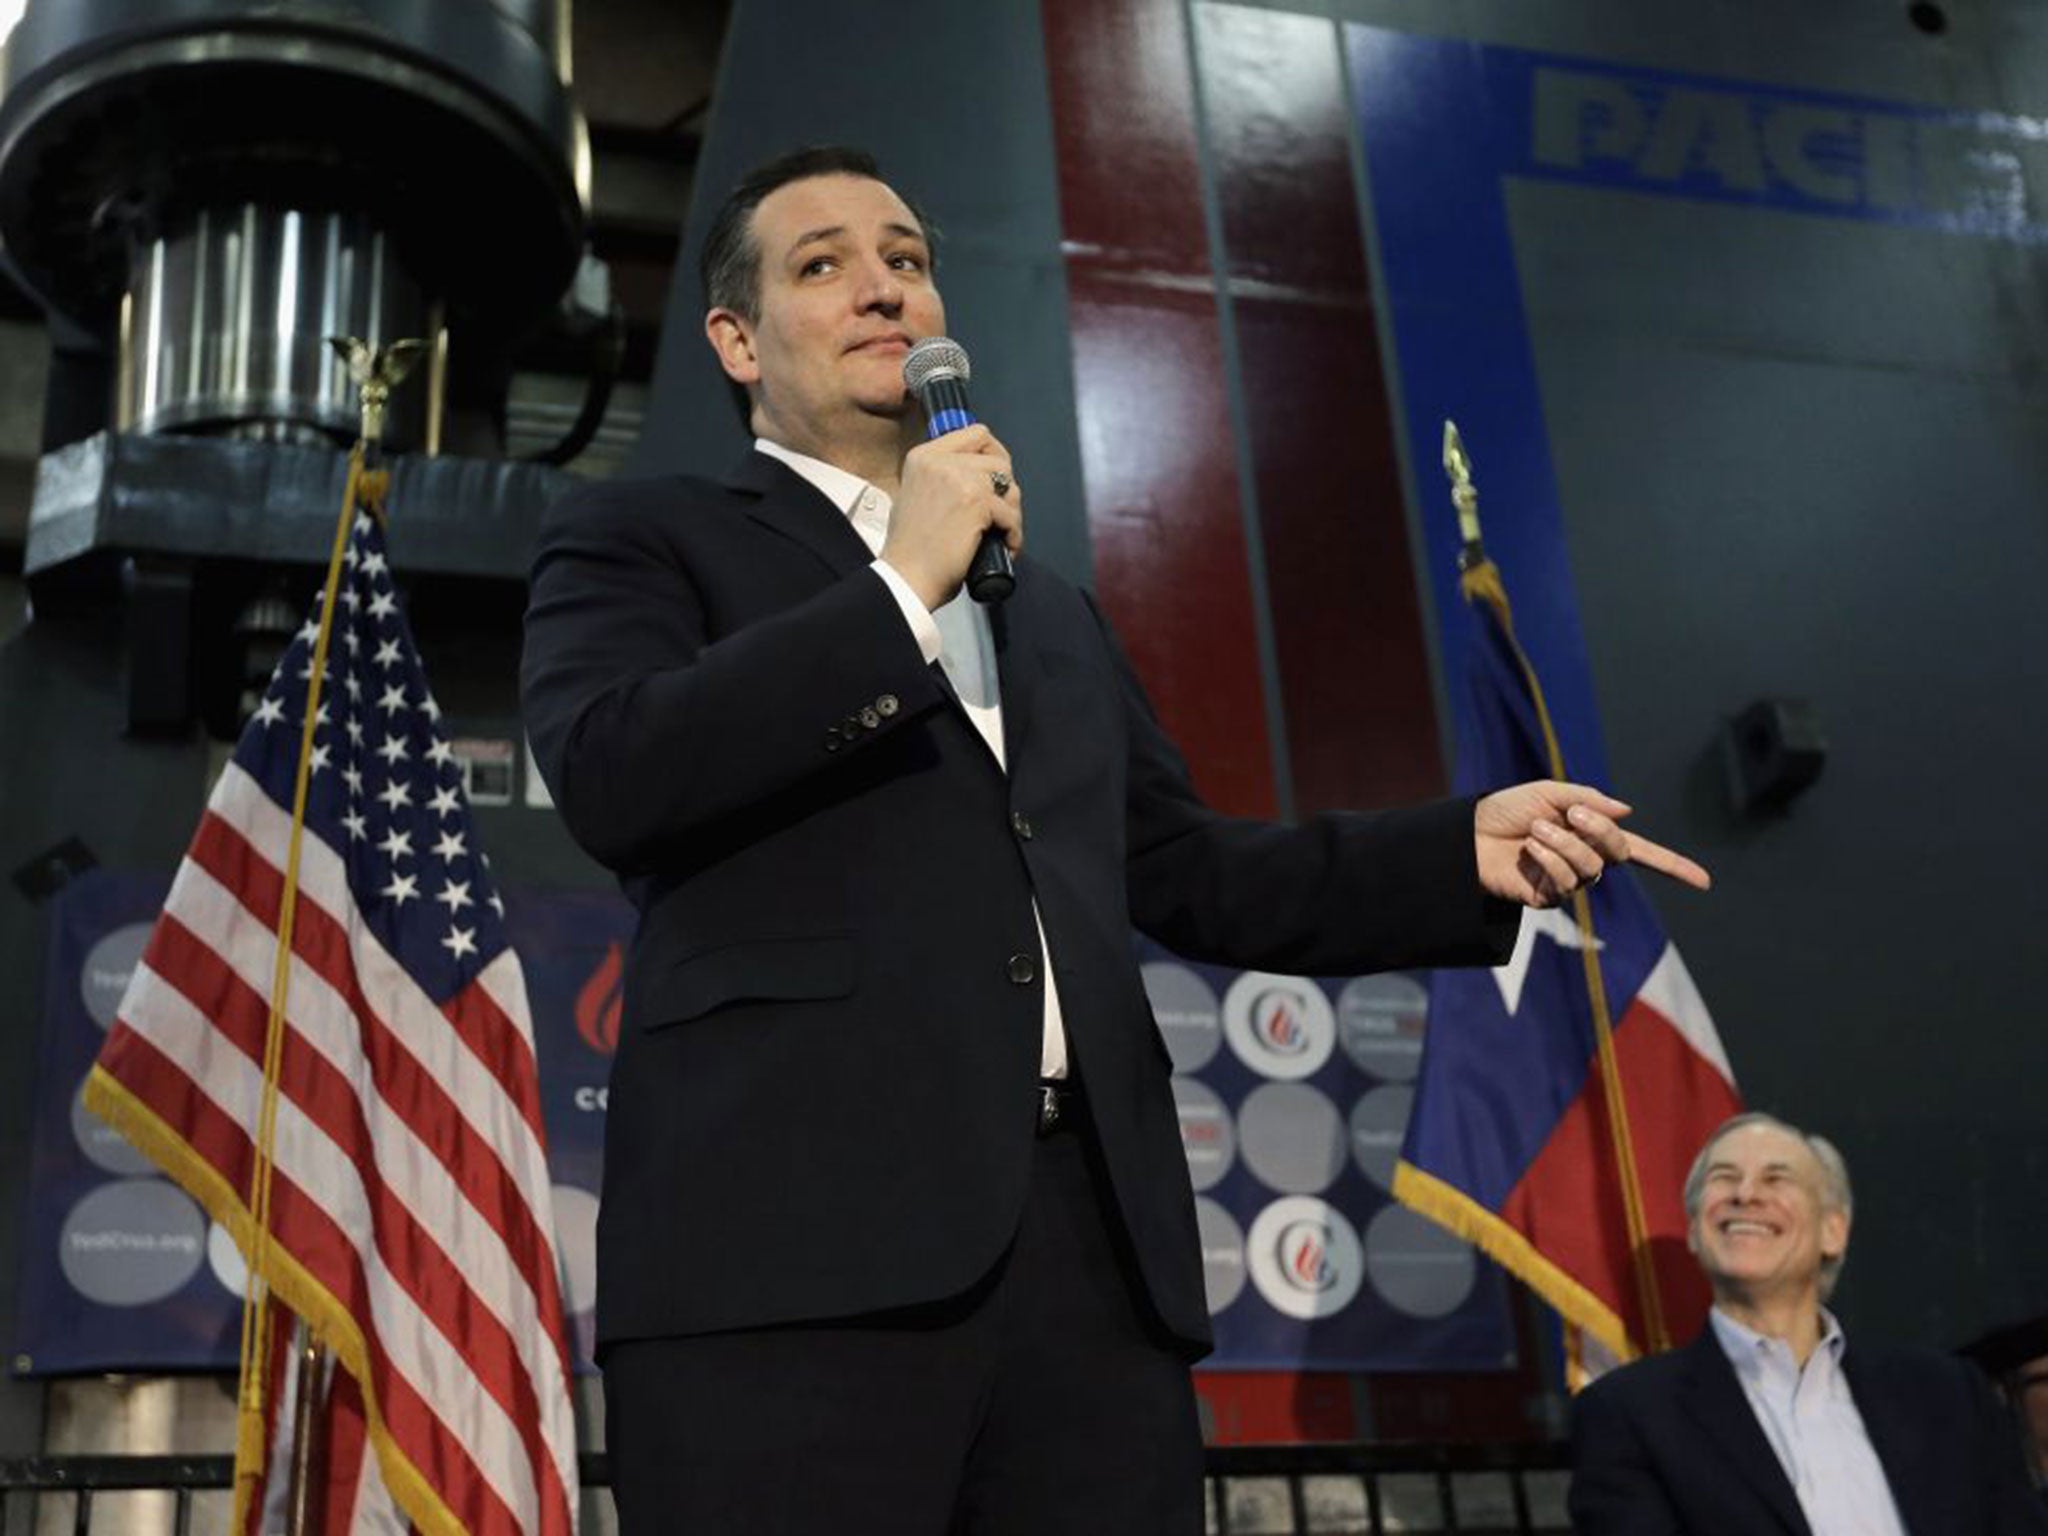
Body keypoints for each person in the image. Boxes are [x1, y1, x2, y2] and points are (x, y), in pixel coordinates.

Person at [520, 143, 1709, 1536]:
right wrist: (906, 584)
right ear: (735, 338)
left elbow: (1192, 873)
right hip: (789, 1268)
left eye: (905, 258)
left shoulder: (1052, 615)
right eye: (822, 264)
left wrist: (1461, 854)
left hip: (1089, 1269)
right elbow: (614, 772)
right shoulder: (642, 535)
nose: (884, 290)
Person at [1570, 1113, 2048, 1536]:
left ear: (1832, 1232)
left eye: (1776, 1179)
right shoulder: (1628, 1415)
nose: (1745, 1193)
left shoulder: (1947, 1394)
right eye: (1724, 1177)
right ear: (1694, 1232)